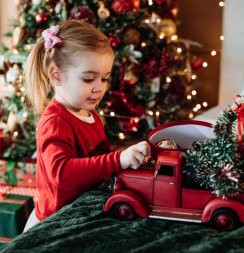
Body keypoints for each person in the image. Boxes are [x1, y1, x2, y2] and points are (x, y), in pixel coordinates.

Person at [23, 20, 150, 232]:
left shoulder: (89, 114)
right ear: (57, 76)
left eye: (105, 79)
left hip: (83, 211)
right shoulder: (55, 122)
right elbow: (62, 174)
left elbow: (97, 163)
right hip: (55, 222)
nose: (99, 88)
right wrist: (118, 159)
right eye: (88, 79)